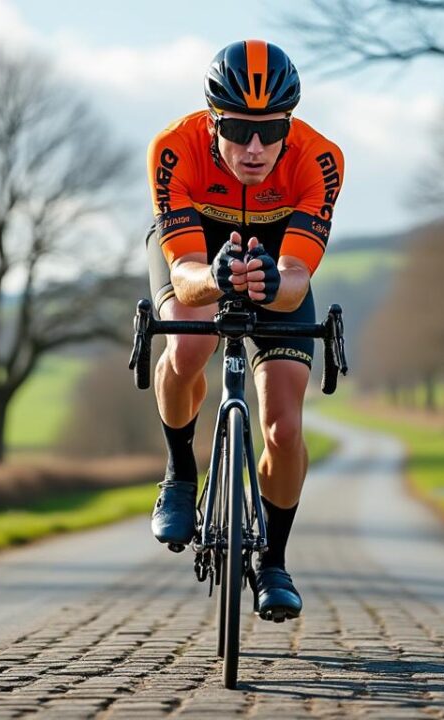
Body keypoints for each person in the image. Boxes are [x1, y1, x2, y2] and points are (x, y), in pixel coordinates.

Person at [143, 40, 344, 622]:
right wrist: (217, 278)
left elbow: (298, 276)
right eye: (236, 128)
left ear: (289, 123)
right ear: (212, 121)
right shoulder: (173, 150)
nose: (254, 148)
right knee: (188, 343)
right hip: (197, 253)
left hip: (278, 267)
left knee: (282, 428)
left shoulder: (319, 159)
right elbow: (182, 276)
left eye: (270, 129)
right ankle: (181, 471)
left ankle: (272, 562)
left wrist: (262, 283)